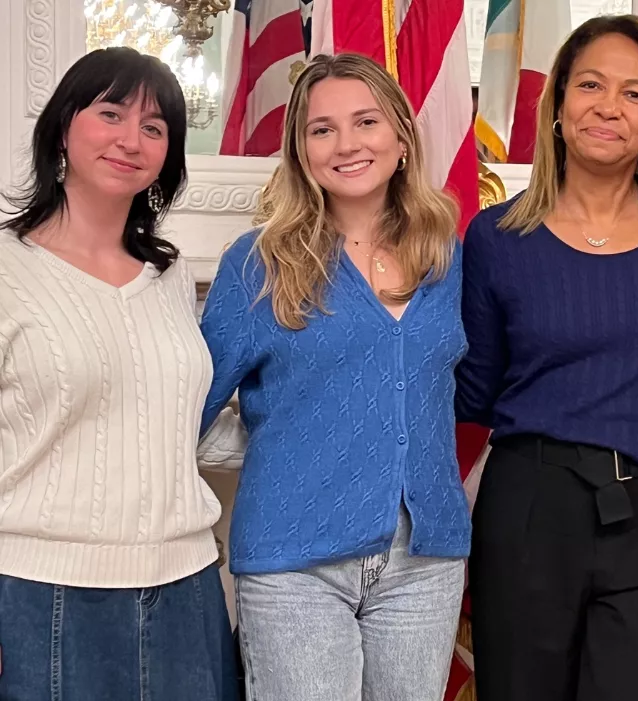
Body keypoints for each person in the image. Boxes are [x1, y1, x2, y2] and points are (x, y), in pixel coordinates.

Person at [197, 53, 469, 701]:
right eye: (322, 129)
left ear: (401, 137)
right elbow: (188, 404)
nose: (346, 144)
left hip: (423, 563)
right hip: (296, 563)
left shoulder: (449, 257)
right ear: (300, 150)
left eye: (366, 121)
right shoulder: (259, 263)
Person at [456, 15, 638, 701]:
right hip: (531, 509)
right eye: (591, 84)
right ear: (559, 106)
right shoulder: (497, 237)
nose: (609, 106)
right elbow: (474, 389)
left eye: (636, 93)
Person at [0, 47, 239, 700]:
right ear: (62, 128)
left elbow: (169, 424)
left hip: (187, 587)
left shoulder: (170, 277)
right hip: (40, 594)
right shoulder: (7, 270)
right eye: (111, 113)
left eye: (155, 127)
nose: (131, 140)